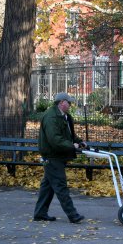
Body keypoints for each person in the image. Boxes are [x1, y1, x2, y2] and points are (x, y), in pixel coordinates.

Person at [34, 92, 86, 223]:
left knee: (48, 186)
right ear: (62, 102)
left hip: (57, 156)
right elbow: (55, 140)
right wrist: (71, 145)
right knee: (60, 186)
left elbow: (70, 135)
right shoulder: (51, 117)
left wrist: (79, 142)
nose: (70, 105)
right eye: (69, 102)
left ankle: (40, 213)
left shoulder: (65, 117)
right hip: (52, 156)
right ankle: (73, 215)